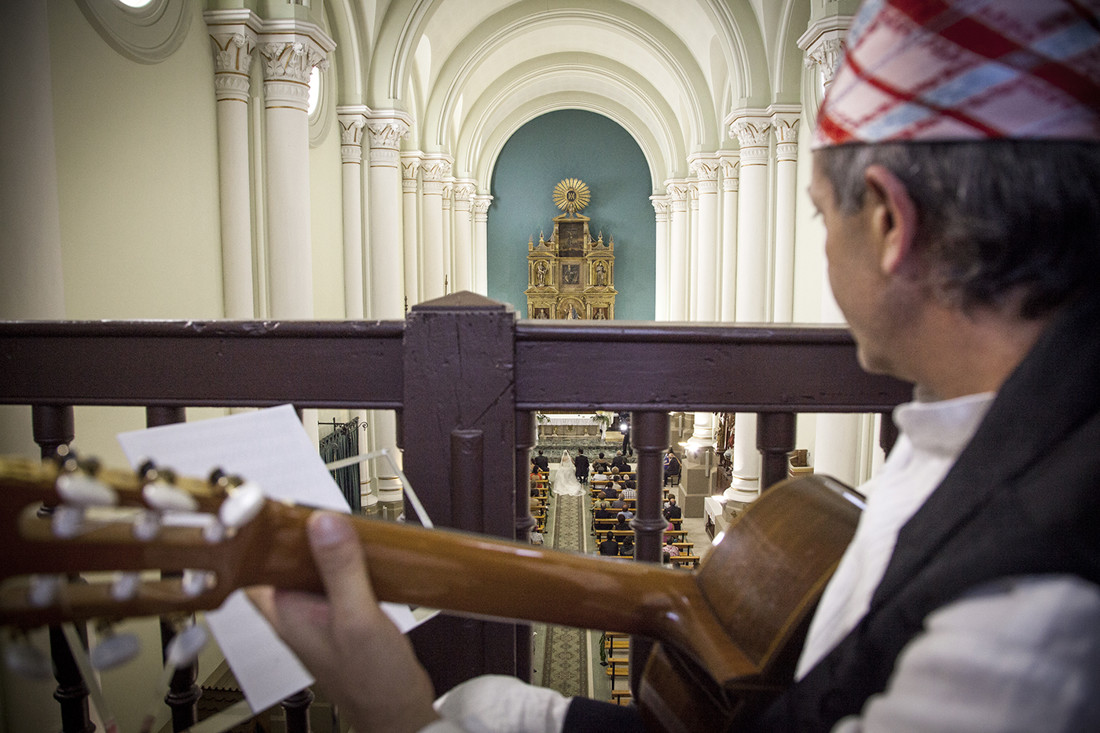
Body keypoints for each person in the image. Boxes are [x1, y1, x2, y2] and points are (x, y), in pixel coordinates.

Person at [252, 3, 1100, 730]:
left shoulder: (1027, 615)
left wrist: (400, 718)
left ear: (887, 221)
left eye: (817, 213)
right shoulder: (982, 423)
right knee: (492, 702)